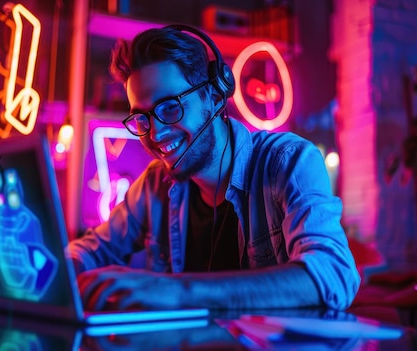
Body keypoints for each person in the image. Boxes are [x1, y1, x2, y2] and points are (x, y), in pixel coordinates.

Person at [69, 24, 360, 312]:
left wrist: (178, 291)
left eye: (170, 108)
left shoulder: (288, 161)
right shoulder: (154, 185)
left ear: (215, 97)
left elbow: (332, 274)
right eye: (142, 119)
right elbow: (91, 250)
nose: (156, 134)